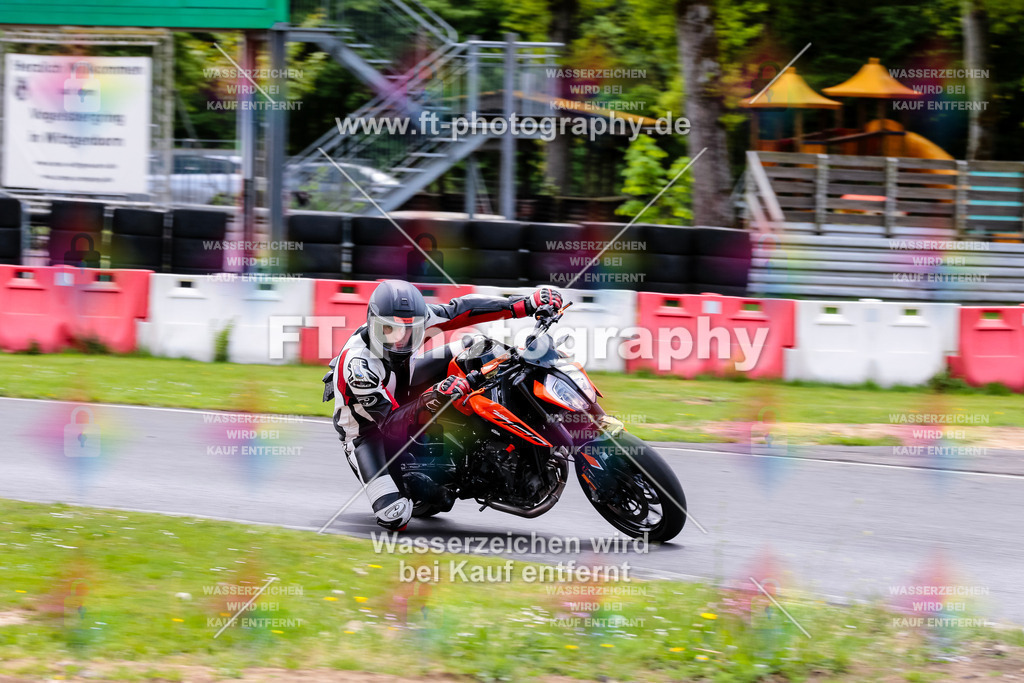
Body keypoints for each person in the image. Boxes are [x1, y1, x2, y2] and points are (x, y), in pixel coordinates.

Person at [322, 280, 563, 530]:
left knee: (478, 347)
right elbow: (391, 427)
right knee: (395, 516)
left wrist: (525, 304)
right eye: (389, 331)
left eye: (410, 332)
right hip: (369, 431)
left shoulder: (419, 319)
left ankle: (504, 418)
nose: (400, 341)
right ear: (373, 323)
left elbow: (461, 309)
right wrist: (434, 395)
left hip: (404, 385)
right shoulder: (358, 367)